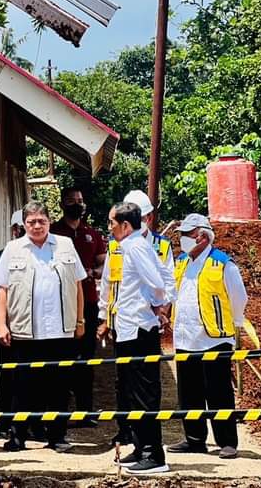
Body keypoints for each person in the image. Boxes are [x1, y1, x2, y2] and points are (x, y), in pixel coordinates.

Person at [0, 201, 87, 453]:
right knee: (22, 388)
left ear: (49, 222)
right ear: (23, 224)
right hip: (25, 332)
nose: (36, 226)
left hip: (60, 331)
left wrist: (80, 321)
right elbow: (3, 290)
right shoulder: (13, 249)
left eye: (41, 221)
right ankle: (18, 436)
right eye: (31, 222)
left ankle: (57, 436)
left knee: (58, 387)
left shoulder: (64, 245)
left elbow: (77, 285)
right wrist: (1, 324)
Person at [96, 202, 169, 474]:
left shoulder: (136, 247)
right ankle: (140, 447)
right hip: (126, 329)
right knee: (130, 392)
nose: (109, 228)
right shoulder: (127, 247)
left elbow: (158, 283)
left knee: (144, 395)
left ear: (126, 226)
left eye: (112, 223)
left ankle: (153, 454)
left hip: (139, 329)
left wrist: (155, 305)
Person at [167, 214, 247, 459]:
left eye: (187, 235)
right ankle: (194, 439)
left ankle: (226, 441)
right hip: (185, 338)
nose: (182, 239)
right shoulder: (181, 262)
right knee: (189, 392)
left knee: (218, 391)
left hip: (214, 337)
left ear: (202, 236)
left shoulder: (222, 263)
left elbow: (239, 298)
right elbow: (174, 294)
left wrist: (233, 325)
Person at [50, 186, 107, 424]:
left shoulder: (92, 235)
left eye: (80, 200)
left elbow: (105, 266)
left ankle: (86, 411)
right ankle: (58, 414)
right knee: (60, 358)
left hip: (89, 304)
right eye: (72, 201)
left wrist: (93, 271)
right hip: (59, 306)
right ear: (63, 204)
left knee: (86, 358)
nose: (78, 204)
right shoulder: (53, 233)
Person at [0, 210, 26, 436]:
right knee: (9, 375)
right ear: (14, 230)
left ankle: (33, 424)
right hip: (11, 326)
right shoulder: (4, 255)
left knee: (34, 376)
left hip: (35, 329)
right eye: (21, 229)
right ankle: (7, 422)